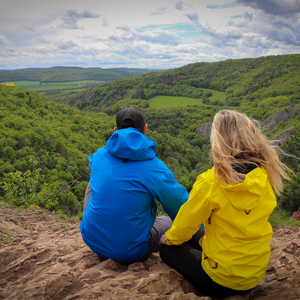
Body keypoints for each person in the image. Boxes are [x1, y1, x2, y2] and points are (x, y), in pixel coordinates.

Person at [160, 109, 292, 298]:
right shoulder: (264, 174)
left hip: (223, 280)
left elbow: (185, 223)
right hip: (255, 274)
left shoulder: (211, 181)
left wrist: (168, 239)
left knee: (168, 249)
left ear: (217, 140)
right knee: (195, 234)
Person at [80, 106, 188, 264]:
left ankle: (95, 226)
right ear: (145, 129)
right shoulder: (155, 168)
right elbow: (182, 207)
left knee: (94, 178)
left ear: (115, 130)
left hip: (91, 239)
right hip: (129, 252)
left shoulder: (99, 155)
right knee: (168, 221)